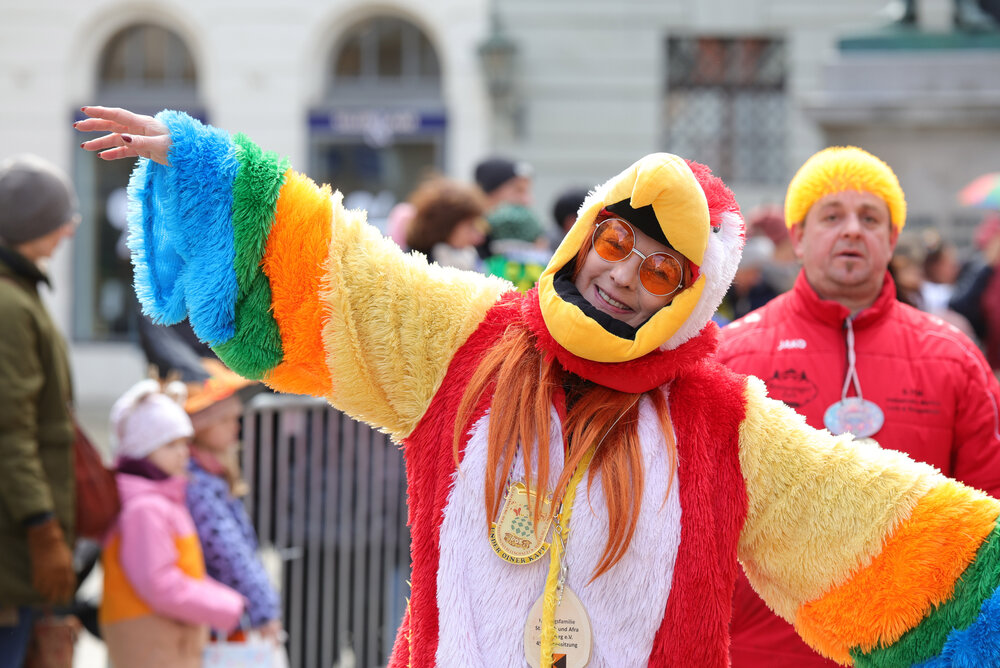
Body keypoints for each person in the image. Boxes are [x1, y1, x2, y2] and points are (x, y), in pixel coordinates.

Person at [77, 106, 1000, 667]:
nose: (619, 276)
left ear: (688, 301)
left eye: (655, 272)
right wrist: (206, 168)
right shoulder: (472, 339)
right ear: (583, 235)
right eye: (614, 243)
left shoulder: (722, 418)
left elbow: (863, 515)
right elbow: (347, 277)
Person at [716, 146, 1000, 667]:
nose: (852, 230)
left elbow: (991, 504)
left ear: (892, 239)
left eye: (870, 218)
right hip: (765, 651)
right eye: (832, 216)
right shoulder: (732, 356)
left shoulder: (954, 359)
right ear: (797, 237)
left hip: (914, 648)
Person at [100, 379, 245, 668]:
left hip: (165, 635)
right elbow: (159, 583)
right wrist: (223, 605)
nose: (182, 453)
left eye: (184, 442)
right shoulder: (145, 508)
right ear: (143, 451)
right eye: (169, 444)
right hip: (150, 636)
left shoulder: (165, 500)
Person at [0, 155, 79, 668]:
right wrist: (43, 526)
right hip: (11, 543)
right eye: (58, 220)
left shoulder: (19, 292)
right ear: (32, 227)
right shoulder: (9, 303)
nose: (70, 230)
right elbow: (10, 429)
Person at [184, 361, 283, 644]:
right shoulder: (198, 482)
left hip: (224, 615)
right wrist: (264, 610)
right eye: (226, 419)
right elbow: (229, 552)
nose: (236, 427)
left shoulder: (209, 471)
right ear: (202, 425)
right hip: (221, 622)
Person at [404, 176, 489, 272]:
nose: (479, 237)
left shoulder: (467, 256)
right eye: (470, 226)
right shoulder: (413, 268)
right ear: (445, 226)